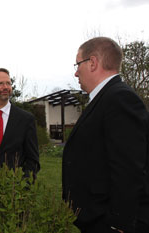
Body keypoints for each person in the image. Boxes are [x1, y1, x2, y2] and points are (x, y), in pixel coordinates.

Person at [62, 37, 149, 233]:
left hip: (107, 223)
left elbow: (129, 168)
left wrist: (118, 223)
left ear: (92, 63)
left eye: (78, 64)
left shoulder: (120, 99)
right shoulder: (105, 98)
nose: (76, 72)